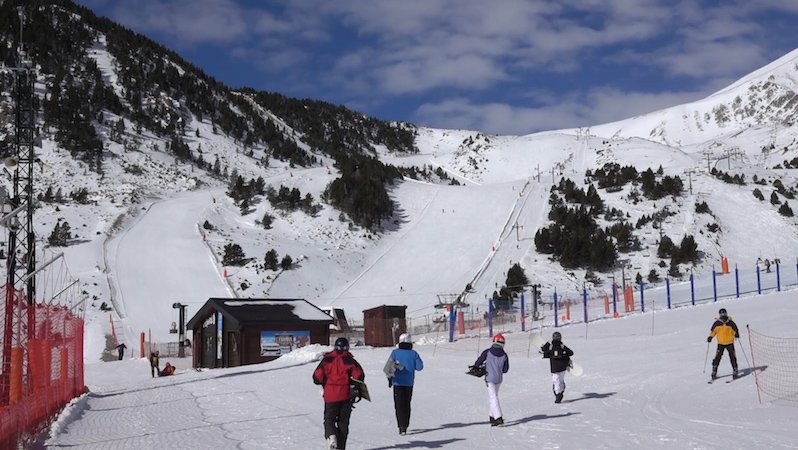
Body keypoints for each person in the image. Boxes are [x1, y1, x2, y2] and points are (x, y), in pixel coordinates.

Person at [312, 337, 365, 450]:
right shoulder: (350, 361)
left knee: (329, 419)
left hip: (330, 396)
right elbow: (359, 376)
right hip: (346, 395)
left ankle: (331, 436)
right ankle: (341, 447)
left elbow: (316, 377)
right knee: (343, 423)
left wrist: (325, 381)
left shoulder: (327, 360)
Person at [383, 333, 423, 435]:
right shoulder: (414, 353)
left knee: (399, 405)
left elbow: (388, 366)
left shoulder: (395, 352)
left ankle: (401, 427)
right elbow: (419, 367)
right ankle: (406, 425)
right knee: (407, 404)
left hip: (397, 382)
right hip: (409, 383)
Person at [473, 334, 509, 427]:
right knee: (493, 397)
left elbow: (478, 362)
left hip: (490, 378)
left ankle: (498, 418)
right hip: (499, 379)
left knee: (493, 397)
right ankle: (492, 417)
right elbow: (505, 370)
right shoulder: (505, 355)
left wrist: (480, 366)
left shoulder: (487, 352)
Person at [541, 331, 574, 403]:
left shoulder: (550, 346)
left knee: (556, 381)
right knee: (560, 380)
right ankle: (560, 392)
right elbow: (571, 353)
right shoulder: (561, 346)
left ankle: (558, 394)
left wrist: (545, 350)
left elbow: (546, 354)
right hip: (562, 367)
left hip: (554, 367)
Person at [708, 308, 740, 380]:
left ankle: (735, 369)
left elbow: (735, 330)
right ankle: (714, 370)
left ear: (726, 314)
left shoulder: (731, 323)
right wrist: (710, 337)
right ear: (719, 315)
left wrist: (736, 334)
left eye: (724, 313)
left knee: (732, 357)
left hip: (730, 343)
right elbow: (713, 331)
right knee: (717, 357)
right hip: (721, 343)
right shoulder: (717, 323)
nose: (723, 315)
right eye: (721, 314)